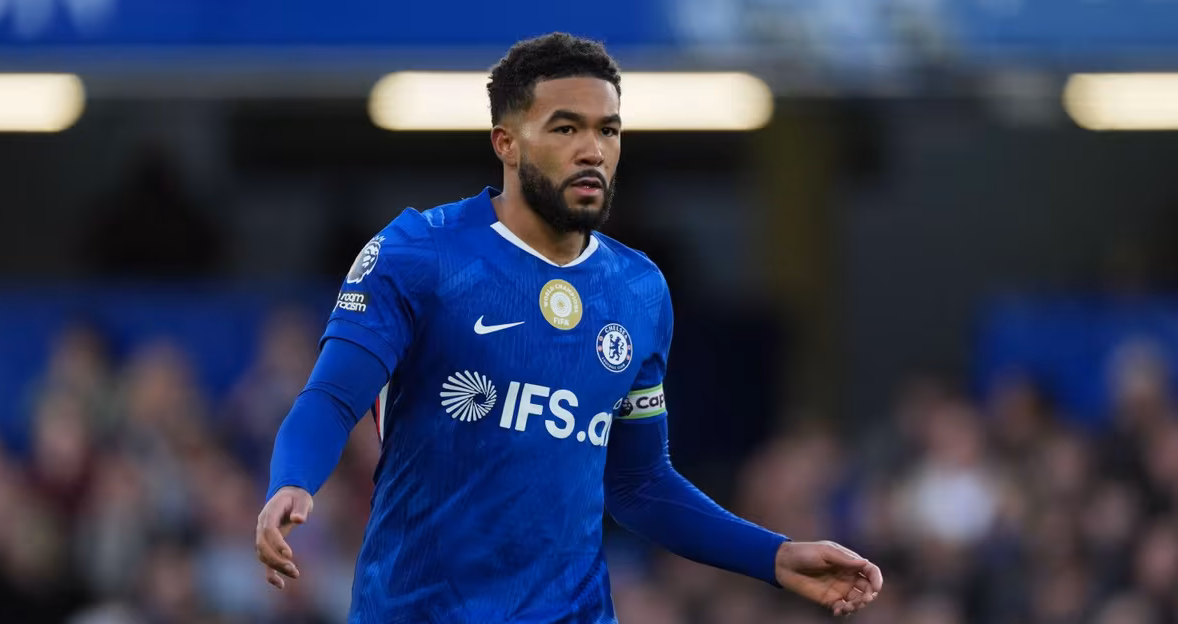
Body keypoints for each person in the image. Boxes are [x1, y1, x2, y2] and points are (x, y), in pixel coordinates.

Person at [255, 32, 882, 622]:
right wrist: (292, 482)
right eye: (566, 128)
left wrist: (773, 556)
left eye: (608, 129)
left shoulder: (638, 290)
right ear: (506, 142)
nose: (593, 150)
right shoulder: (420, 253)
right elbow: (331, 399)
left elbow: (639, 483)